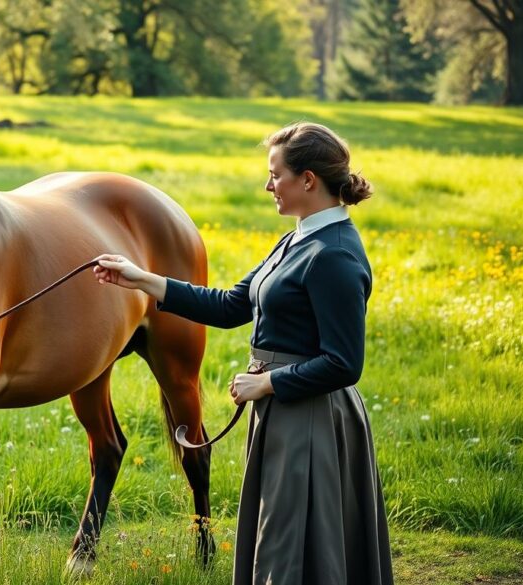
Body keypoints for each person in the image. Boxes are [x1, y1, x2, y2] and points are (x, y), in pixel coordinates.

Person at [92, 122, 393, 585]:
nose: (268, 185)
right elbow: (233, 306)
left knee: (292, 546)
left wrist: (267, 382)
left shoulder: (333, 255)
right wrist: (142, 279)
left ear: (308, 180)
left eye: (276, 175)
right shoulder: (298, 237)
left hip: (310, 419)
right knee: (280, 541)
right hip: (283, 412)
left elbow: (344, 363)